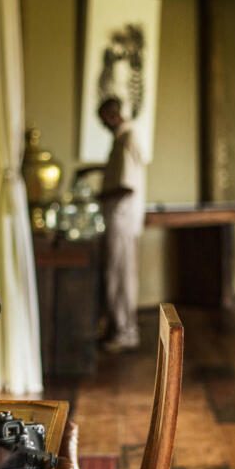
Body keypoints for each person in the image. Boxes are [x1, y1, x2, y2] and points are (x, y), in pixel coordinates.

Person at [97, 96, 148, 352]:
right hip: (120, 219)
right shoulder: (122, 140)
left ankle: (125, 332)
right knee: (118, 275)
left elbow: (126, 187)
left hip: (122, 219)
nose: (103, 124)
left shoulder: (126, 140)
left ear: (113, 115)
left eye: (104, 119)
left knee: (120, 276)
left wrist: (99, 196)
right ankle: (118, 327)